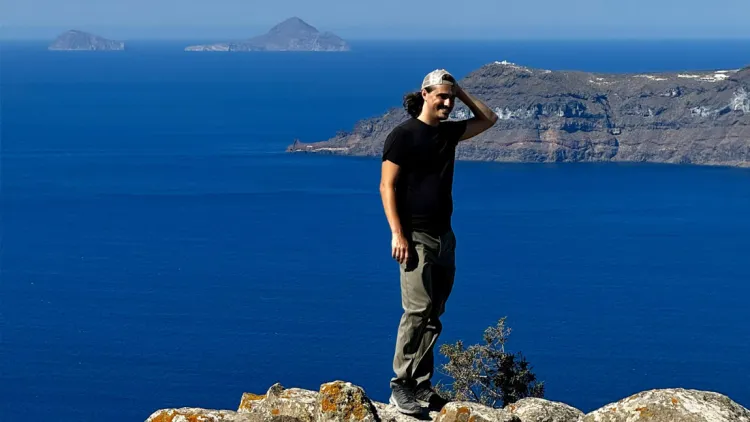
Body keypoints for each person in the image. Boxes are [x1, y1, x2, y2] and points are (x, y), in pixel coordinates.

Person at [379, 69, 498, 415]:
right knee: (416, 311)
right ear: (425, 94)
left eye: (449, 97)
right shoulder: (403, 136)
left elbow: (488, 118)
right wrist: (397, 233)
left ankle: (421, 385)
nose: (446, 102)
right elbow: (387, 185)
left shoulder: (448, 133)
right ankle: (400, 386)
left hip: (444, 235)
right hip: (414, 237)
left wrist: (459, 91)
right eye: (440, 96)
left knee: (434, 313)